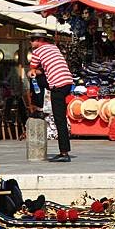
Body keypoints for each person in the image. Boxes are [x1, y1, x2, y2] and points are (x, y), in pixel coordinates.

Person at [28, 29, 73, 162]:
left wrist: (34, 73)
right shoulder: (54, 48)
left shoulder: (37, 52)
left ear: (40, 40)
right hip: (67, 82)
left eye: (33, 39)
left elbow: (32, 70)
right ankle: (38, 107)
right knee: (37, 78)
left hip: (58, 85)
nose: (31, 42)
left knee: (60, 120)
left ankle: (64, 153)